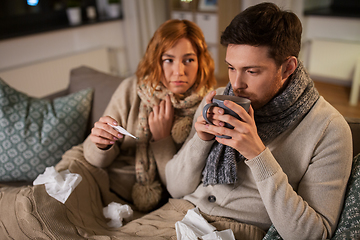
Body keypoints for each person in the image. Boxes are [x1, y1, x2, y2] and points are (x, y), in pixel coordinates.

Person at [163, 2, 353, 239]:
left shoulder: (329, 130)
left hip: (232, 232)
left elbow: (312, 234)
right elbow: (175, 188)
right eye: (231, 67)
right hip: (174, 216)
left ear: (287, 68)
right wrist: (201, 141)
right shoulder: (217, 101)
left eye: (251, 71)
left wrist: (257, 154)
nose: (236, 84)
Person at [82, 18, 216, 212]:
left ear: (200, 62)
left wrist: (162, 140)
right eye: (168, 60)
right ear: (156, 60)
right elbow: (94, 159)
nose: (179, 71)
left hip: (164, 200)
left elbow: (178, 186)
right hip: (109, 184)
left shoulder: (207, 108)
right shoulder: (131, 89)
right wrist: (101, 144)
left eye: (188, 60)